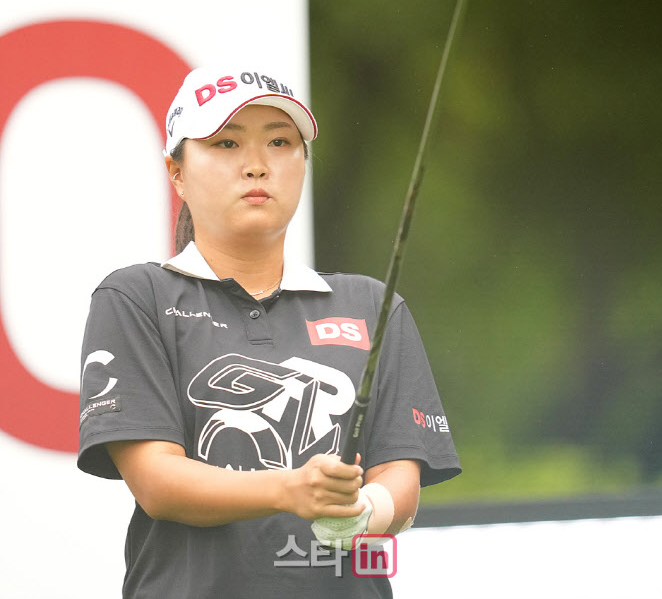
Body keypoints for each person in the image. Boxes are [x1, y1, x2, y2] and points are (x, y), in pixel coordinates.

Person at [78, 63, 461, 598]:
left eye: (280, 142)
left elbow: (401, 479)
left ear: (304, 163)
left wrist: (364, 512)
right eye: (227, 143)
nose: (257, 165)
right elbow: (158, 484)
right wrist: (290, 489)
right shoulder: (136, 297)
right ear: (177, 172)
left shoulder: (373, 305)